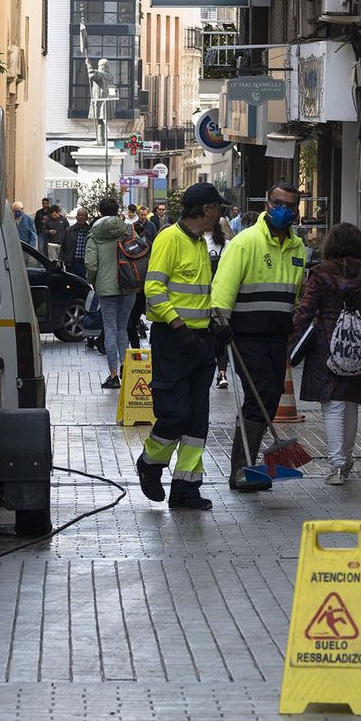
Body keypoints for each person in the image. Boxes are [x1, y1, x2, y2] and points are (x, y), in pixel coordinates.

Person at [290, 223, 361, 485]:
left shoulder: (319, 274)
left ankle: (337, 466)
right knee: (351, 405)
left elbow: (305, 312)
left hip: (326, 347)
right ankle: (346, 461)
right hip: (359, 347)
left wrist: (288, 345)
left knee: (332, 407)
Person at [135, 182, 226, 512]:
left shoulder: (200, 243)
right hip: (174, 340)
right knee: (175, 414)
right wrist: (177, 325)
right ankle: (150, 463)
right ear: (206, 211)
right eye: (218, 208)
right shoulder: (169, 239)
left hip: (201, 341)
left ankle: (186, 488)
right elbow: (154, 289)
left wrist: (217, 322)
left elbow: (203, 292)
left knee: (197, 420)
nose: (221, 214)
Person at [211, 181, 306, 492]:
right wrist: (220, 323)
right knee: (259, 394)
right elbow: (223, 289)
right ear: (267, 203)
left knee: (270, 395)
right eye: (278, 203)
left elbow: (294, 294)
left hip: (277, 338)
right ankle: (240, 469)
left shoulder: (297, 249)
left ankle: (247, 465)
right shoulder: (245, 243)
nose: (284, 210)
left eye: (290, 206)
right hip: (245, 336)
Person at [84, 198, 135, 389]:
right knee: (123, 327)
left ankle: (113, 375)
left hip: (106, 288)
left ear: (99, 210)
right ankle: (125, 368)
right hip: (129, 285)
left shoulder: (94, 235)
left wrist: (93, 280)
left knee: (110, 329)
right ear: (116, 211)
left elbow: (90, 264)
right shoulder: (128, 229)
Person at [205, 216, 232, 388]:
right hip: (222, 295)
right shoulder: (227, 244)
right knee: (222, 334)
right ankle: (222, 373)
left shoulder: (201, 242)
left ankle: (209, 370)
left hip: (204, 295)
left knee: (208, 334)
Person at [67, 207, 92, 279]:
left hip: (84, 265)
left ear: (87, 218)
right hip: (72, 263)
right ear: (76, 217)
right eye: (79, 215)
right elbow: (64, 247)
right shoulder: (69, 230)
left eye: (83, 215)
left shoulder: (91, 232)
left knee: (83, 285)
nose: (81, 217)